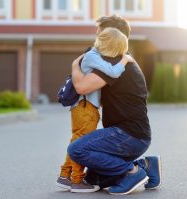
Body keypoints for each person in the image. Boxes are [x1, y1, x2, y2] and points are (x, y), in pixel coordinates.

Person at [67, 15, 162, 195]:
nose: (96, 39)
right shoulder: (122, 60)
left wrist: (74, 65)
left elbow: (81, 86)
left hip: (127, 136)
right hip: (134, 137)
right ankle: (147, 166)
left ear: (111, 35)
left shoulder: (114, 62)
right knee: (93, 178)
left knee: (76, 150)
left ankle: (131, 172)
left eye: (99, 34)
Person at [56, 27, 134, 193]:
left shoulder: (92, 56)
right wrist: (125, 60)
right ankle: (76, 180)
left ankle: (65, 176)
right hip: (85, 108)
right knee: (80, 144)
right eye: (119, 49)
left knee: (76, 140)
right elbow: (113, 72)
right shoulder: (93, 56)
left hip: (85, 107)